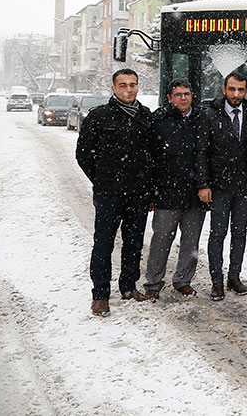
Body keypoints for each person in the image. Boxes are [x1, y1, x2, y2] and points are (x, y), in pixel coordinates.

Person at [77, 68, 155, 317]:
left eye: (133, 84)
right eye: (123, 85)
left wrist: (148, 188)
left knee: (133, 243)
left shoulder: (145, 116)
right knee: (103, 243)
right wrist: (102, 180)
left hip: (138, 194)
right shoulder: (99, 116)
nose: (129, 89)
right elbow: (83, 154)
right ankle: (100, 294)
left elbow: (153, 156)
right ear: (113, 88)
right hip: (109, 193)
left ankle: (128, 286)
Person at [196, 71, 247, 301]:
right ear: (224, 90)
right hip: (219, 186)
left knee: (239, 234)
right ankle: (216, 281)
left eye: (240, 90)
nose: (236, 94)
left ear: (246, 91)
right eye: (232, 89)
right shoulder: (210, 115)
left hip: (243, 187)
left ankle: (234, 276)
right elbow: (202, 153)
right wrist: (204, 184)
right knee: (218, 234)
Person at [144, 78, 206, 300]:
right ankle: (153, 282)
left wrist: (204, 185)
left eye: (187, 94)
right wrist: (151, 191)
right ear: (170, 98)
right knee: (161, 239)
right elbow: (150, 158)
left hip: (195, 193)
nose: (183, 98)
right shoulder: (159, 120)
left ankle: (183, 280)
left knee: (191, 242)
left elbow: (205, 155)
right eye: (178, 94)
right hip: (167, 191)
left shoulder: (202, 118)